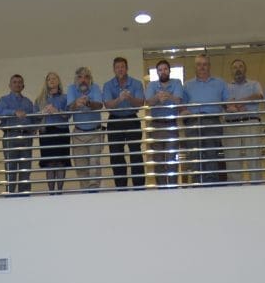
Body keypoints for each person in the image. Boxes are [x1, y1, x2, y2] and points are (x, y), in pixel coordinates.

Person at [182, 54, 230, 185]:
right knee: (195, 156)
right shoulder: (187, 85)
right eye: (199, 64)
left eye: (205, 64)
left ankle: (212, 187)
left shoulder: (220, 83)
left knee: (211, 155)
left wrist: (236, 107)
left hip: (212, 121)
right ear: (195, 67)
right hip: (193, 122)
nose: (202, 67)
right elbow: (182, 107)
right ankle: (197, 186)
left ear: (209, 66)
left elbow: (228, 104)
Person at [103, 56, 146, 189]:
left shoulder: (136, 83)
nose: (120, 69)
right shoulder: (108, 85)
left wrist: (130, 98)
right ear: (114, 70)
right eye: (117, 67)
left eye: (122, 67)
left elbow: (140, 103)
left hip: (132, 119)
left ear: (127, 68)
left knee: (135, 154)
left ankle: (139, 187)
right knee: (116, 155)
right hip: (114, 120)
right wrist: (120, 99)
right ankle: (121, 188)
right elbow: (108, 105)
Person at [223, 58, 264, 183]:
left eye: (240, 66)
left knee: (254, 157)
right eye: (235, 67)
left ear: (245, 69)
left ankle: (256, 190)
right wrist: (231, 107)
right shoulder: (226, 87)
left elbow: (259, 96)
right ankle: (235, 192)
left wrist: (241, 101)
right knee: (232, 160)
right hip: (231, 125)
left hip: (250, 122)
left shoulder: (254, 84)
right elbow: (222, 103)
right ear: (231, 71)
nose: (238, 69)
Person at [144, 59, 184, 187]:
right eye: (160, 70)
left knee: (172, 159)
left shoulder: (177, 82)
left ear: (169, 70)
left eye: (165, 69)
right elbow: (149, 102)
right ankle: (161, 189)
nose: (163, 72)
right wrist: (158, 97)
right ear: (157, 72)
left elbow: (178, 101)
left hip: (171, 124)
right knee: (158, 160)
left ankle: (172, 187)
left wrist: (166, 95)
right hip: (157, 126)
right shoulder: (151, 85)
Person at [66, 66, 105, 191]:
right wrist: (76, 103)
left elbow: (99, 105)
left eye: (86, 77)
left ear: (90, 79)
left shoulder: (95, 88)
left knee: (94, 166)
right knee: (81, 167)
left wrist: (88, 103)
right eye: (80, 77)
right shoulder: (71, 89)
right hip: (78, 133)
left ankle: (94, 193)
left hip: (95, 132)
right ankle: (85, 193)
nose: (83, 80)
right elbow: (69, 109)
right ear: (76, 79)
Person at [0, 73, 37, 194]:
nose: (17, 84)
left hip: (26, 136)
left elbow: (34, 119)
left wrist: (34, 129)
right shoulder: (4, 100)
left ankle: (24, 198)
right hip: (10, 135)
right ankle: (10, 197)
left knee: (25, 169)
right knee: (11, 169)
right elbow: (1, 113)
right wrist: (14, 112)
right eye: (14, 82)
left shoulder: (28, 102)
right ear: (10, 85)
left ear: (23, 86)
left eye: (20, 82)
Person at [35, 71, 70, 193]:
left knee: (61, 162)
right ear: (46, 82)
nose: (52, 80)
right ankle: (51, 192)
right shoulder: (40, 99)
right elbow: (35, 117)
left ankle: (59, 191)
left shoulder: (65, 97)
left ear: (58, 81)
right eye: (49, 78)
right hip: (46, 132)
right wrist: (42, 112)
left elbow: (68, 115)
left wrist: (56, 111)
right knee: (49, 163)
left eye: (54, 78)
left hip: (61, 131)